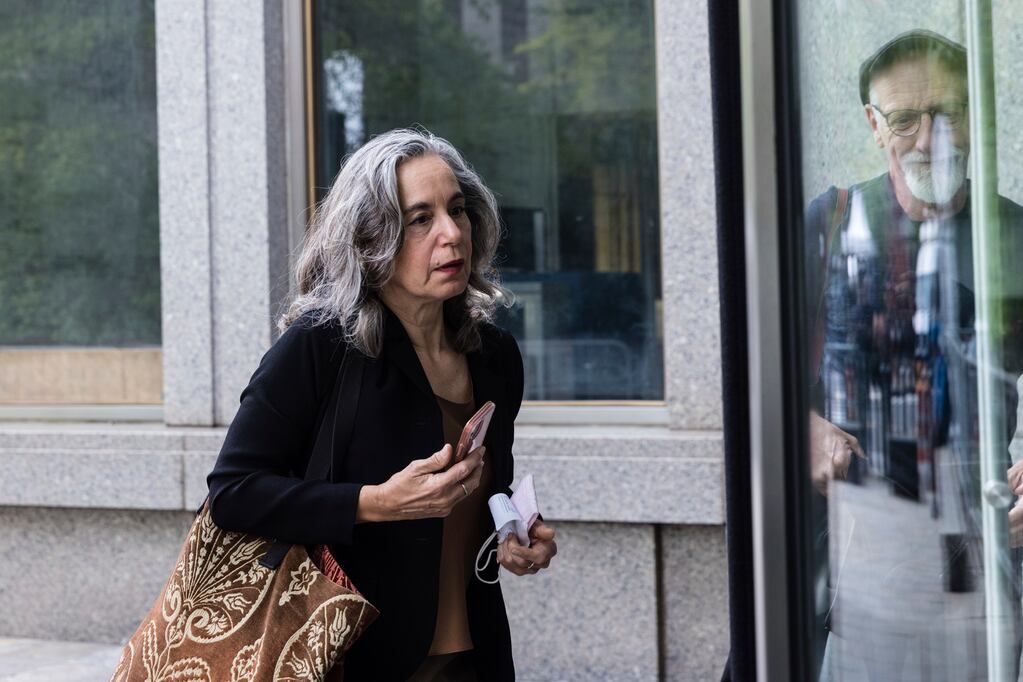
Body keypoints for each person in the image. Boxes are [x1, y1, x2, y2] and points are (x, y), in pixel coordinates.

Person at [207, 128, 558, 681]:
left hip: (475, 655)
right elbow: (233, 492)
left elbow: (484, 491)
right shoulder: (320, 344)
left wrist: (512, 539)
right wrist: (374, 503)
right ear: (371, 240)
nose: (451, 234)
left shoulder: (494, 356)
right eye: (421, 219)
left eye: (458, 210)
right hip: (352, 654)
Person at [805, 29, 1023, 679]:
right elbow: (756, 375)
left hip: (980, 548)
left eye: (947, 114)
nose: (930, 138)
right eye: (904, 120)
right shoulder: (828, 224)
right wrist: (804, 431)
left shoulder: (1013, 234)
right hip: (851, 558)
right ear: (875, 127)